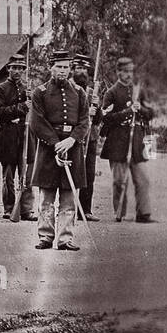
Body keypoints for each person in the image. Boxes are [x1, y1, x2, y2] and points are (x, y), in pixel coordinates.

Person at [28, 49, 90, 250]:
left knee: (69, 198)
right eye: (59, 67)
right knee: (46, 197)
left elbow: (84, 121)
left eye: (66, 67)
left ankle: (65, 238)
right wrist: (56, 144)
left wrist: (71, 141)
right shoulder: (41, 92)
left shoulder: (79, 92)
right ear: (51, 68)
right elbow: (37, 122)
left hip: (73, 149)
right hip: (49, 149)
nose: (63, 71)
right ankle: (45, 236)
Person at [100, 54, 154, 223]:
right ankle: (120, 213)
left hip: (136, 141)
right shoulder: (111, 93)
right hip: (117, 142)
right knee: (119, 181)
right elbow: (106, 118)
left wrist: (141, 110)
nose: (129, 75)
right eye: (125, 72)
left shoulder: (139, 91)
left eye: (131, 71)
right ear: (118, 72)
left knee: (143, 179)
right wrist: (128, 112)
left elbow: (150, 114)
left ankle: (143, 213)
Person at [0, 52, 37, 221]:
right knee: (8, 177)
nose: (17, 71)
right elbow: (0, 112)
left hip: (26, 136)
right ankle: (9, 207)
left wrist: (31, 102)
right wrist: (21, 107)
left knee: (27, 176)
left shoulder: (29, 89)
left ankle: (26, 209)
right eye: (14, 68)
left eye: (20, 68)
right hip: (8, 137)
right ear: (8, 69)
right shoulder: (0, 89)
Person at [71, 52, 102, 221]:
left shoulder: (92, 92)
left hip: (90, 139)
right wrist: (85, 112)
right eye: (78, 68)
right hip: (74, 138)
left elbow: (98, 120)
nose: (82, 71)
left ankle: (85, 210)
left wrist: (96, 108)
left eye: (84, 68)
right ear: (73, 70)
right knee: (72, 174)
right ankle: (69, 208)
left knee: (89, 175)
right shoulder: (69, 89)